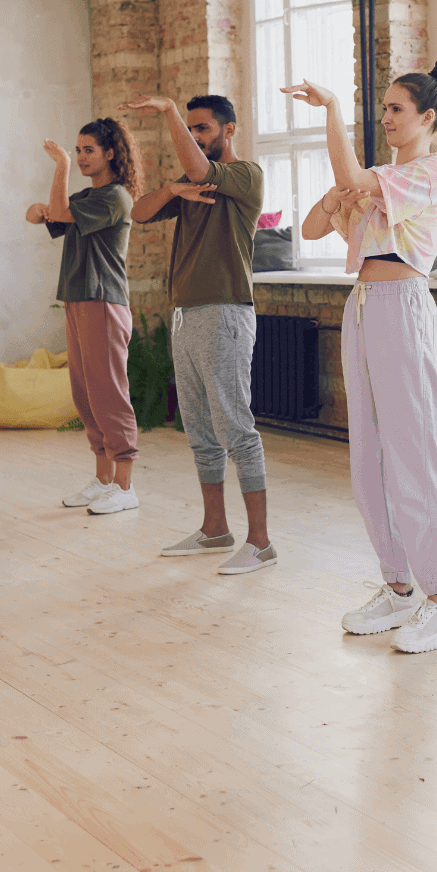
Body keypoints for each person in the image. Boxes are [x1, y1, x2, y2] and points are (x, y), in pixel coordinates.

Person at [286, 62, 437, 652]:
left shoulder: (432, 172)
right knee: (366, 454)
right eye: (383, 109)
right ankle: (397, 587)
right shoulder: (380, 179)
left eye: (397, 109)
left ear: (428, 118)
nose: (387, 119)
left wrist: (334, 110)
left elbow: (348, 174)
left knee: (412, 450)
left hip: (403, 304)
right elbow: (314, 228)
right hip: (361, 305)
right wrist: (344, 190)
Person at [121, 93, 275, 575]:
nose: (194, 137)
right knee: (200, 431)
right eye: (190, 128)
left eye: (201, 129)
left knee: (235, 427)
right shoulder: (190, 184)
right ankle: (215, 530)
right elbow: (140, 213)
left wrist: (167, 113)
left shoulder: (245, 176)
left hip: (225, 313)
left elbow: (205, 172)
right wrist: (171, 190)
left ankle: (261, 542)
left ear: (229, 131)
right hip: (186, 316)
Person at [26, 118, 143, 514]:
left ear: (110, 153)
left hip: (104, 301)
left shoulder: (115, 197)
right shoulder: (87, 197)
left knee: (109, 393)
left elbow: (59, 211)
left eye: (87, 150)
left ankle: (125, 487)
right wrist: (41, 210)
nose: (79, 157)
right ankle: (103, 479)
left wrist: (58, 166)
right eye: (76, 151)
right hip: (78, 299)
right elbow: (51, 215)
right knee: (85, 394)